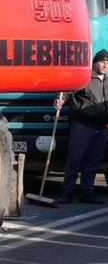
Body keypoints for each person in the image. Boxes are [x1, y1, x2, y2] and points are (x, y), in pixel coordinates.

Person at [54, 48, 108, 203]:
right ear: (95, 63)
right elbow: (67, 91)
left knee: (93, 163)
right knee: (74, 160)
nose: (105, 65)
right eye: (102, 62)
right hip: (82, 126)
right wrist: (60, 100)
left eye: (107, 63)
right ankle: (67, 191)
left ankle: (87, 192)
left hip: (101, 128)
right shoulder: (84, 79)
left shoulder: (107, 81)